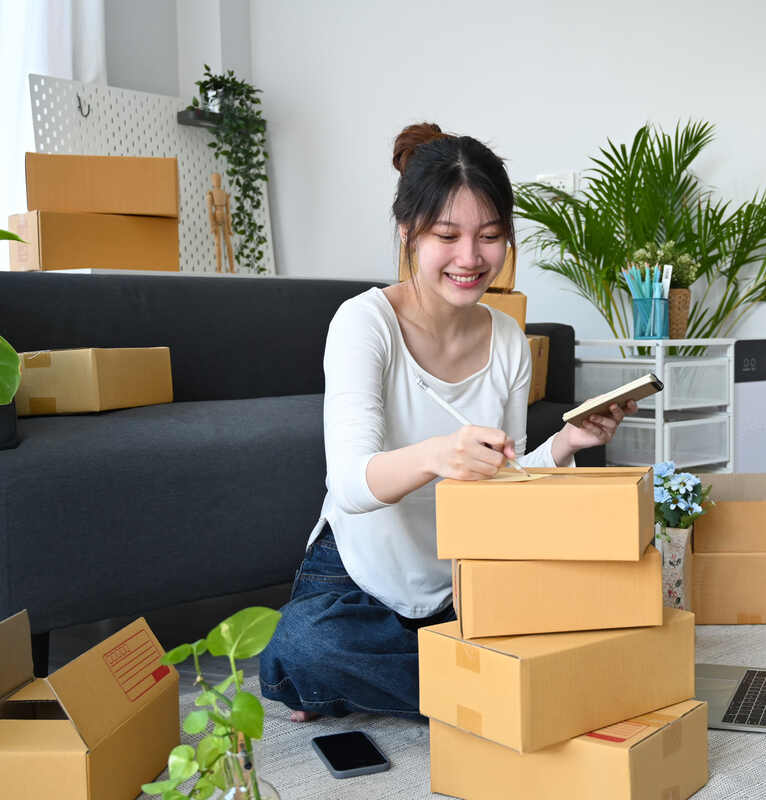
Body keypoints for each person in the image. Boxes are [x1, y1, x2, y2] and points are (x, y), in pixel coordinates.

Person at [259, 123, 636, 722]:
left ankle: (442, 685)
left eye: (490, 237)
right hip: (359, 571)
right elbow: (352, 485)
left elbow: (503, 486)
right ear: (409, 232)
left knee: (587, 613)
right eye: (448, 236)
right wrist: (438, 455)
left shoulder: (508, 339)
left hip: (460, 574)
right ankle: (509, 694)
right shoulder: (364, 324)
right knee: (310, 647)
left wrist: (568, 442)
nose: (471, 259)